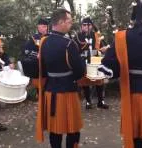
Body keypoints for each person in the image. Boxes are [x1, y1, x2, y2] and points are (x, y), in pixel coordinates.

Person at [99, 0, 142, 148]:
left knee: (134, 132)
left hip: (132, 89)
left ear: (133, 16)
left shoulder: (122, 36)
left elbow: (109, 63)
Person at [35, 8, 86, 148]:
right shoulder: (69, 44)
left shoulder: (43, 42)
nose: (71, 24)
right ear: (61, 22)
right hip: (68, 91)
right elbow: (80, 72)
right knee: (73, 129)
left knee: (55, 130)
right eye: (69, 22)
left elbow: (43, 68)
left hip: (51, 91)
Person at [74, 17, 109, 109]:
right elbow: (74, 51)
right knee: (85, 82)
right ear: (81, 26)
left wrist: (103, 50)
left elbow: (101, 48)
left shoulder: (96, 35)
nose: (86, 27)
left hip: (96, 59)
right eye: (84, 25)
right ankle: (88, 102)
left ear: (91, 26)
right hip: (84, 60)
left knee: (99, 81)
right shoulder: (77, 37)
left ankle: (100, 101)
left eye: (88, 25)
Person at [22, 18, 49, 98]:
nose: (45, 28)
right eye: (43, 26)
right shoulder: (34, 38)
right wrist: (36, 55)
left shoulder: (50, 37)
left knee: (48, 88)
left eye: (46, 26)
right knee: (40, 89)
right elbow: (26, 51)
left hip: (48, 66)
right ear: (38, 27)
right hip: (38, 67)